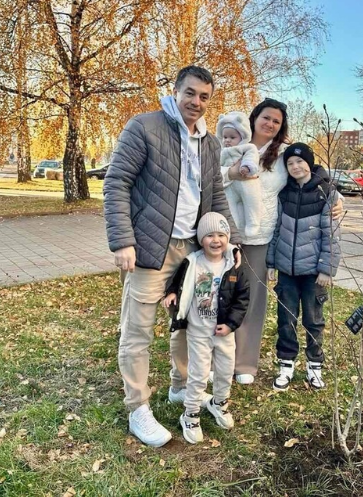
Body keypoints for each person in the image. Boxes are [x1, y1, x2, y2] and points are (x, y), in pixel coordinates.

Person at [104, 65, 241, 448]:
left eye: (204, 97)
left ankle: (180, 385)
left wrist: (229, 242)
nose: (196, 102)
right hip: (150, 248)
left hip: (192, 253)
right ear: (176, 90)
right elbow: (117, 182)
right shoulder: (144, 127)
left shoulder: (210, 144)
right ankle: (138, 408)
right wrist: (122, 241)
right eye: (191, 93)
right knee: (138, 330)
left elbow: (215, 197)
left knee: (187, 323)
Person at [222, 99, 344, 385]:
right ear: (254, 118)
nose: (270, 124)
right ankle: (220, 358)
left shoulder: (282, 154)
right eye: (266, 118)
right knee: (222, 297)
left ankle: (245, 364)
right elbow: (208, 176)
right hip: (227, 233)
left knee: (254, 302)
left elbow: (314, 174)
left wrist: (338, 200)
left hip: (263, 237)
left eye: (276, 121)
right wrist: (231, 171)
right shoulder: (232, 142)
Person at [163, 212, 249, 444]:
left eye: (221, 235)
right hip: (198, 331)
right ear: (201, 239)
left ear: (228, 239)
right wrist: (171, 293)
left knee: (224, 370)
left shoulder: (233, 265)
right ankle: (190, 414)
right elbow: (177, 281)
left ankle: (219, 403)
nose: (216, 240)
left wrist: (231, 325)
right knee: (199, 374)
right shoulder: (192, 262)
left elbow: (242, 299)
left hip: (224, 333)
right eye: (209, 235)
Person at [266, 143, 341, 390]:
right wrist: (271, 262)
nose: (296, 166)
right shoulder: (284, 192)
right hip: (287, 270)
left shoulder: (325, 192)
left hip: (313, 273)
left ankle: (314, 367)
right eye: (290, 163)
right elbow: (277, 228)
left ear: (310, 162)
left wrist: (327, 268)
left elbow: (331, 233)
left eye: (300, 161)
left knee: (313, 320)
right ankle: (286, 365)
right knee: (285, 319)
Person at [216, 111, 263, 237]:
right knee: (229, 206)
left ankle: (253, 223)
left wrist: (247, 167)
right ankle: (233, 226)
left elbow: (251, 157)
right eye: (225, 137)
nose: (227, 140)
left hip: (247, 183)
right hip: (229, 185)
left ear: (242, 137)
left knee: (251, 201)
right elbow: (215, 167)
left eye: (232, 137)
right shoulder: (220, 151)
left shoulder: (248, 147)